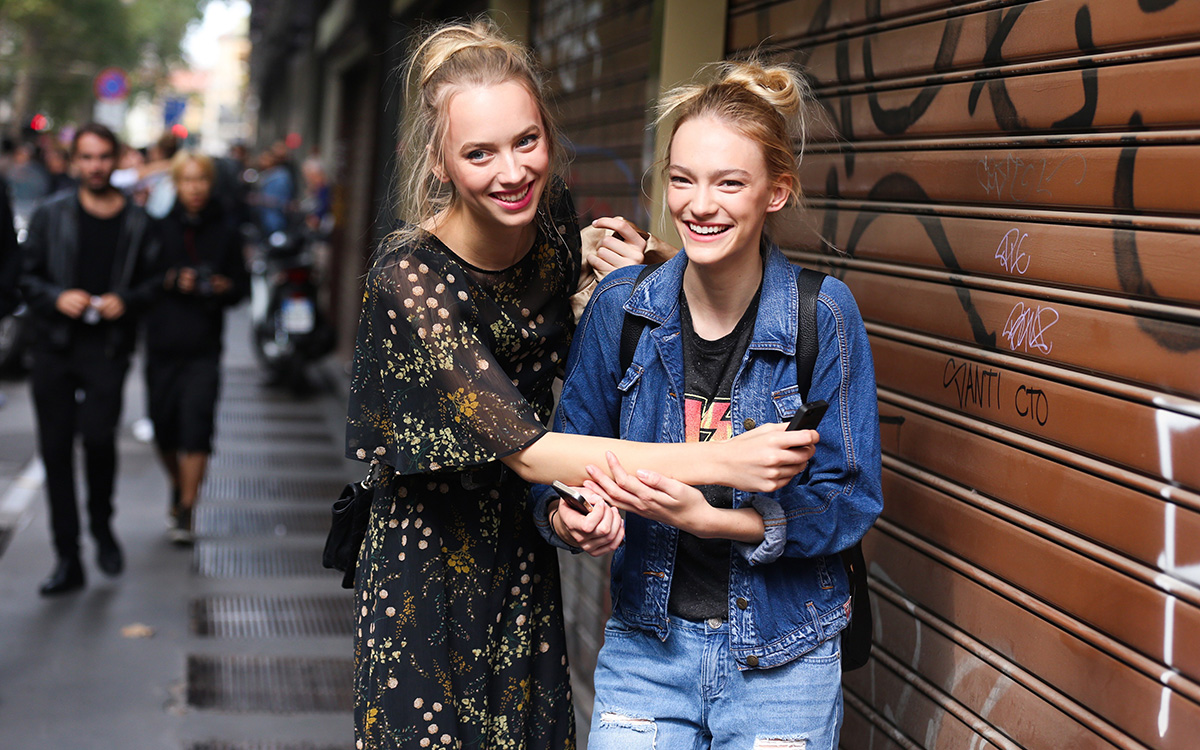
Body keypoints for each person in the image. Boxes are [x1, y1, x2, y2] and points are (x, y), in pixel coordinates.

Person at [344, 21, 815, 749]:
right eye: (479, 153)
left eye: (526, 141)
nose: (512, 172)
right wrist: (723, 460)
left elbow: (618, 316)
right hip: (427, 567)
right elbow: (532, 452)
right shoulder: (409, 282)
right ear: (438, 161)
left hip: (520, 552)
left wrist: (654, 260)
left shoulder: (554, 220)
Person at [536, 60, 884, 748]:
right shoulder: (622, 310)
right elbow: (559, 461)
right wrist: (569, 516)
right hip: (647, 651)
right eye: (682, 179)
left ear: (776, 191)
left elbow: (849, 497)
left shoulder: (822, 316)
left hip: (785, 658)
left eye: (729, 183)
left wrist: (720, 522)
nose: (699, 205)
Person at [18, 122, 161, 595]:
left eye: (103, 157)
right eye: (87, 157)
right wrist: (57, 297)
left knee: (99, 440)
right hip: (53, 347)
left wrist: (127, 300)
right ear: (74, 161)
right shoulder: (50, 214)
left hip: (107, 349)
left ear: (116, 159)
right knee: (56, 451)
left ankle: (101, 524)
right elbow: (25, 277)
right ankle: (68, 557)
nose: (95, 166)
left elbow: (154, 283)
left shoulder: (138, 222)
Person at [145, 151, 249, 544]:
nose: (195, 188)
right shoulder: (156, 229)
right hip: (161, 345)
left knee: (197, 428)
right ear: (176, 184)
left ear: (210, 184)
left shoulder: (226, 231)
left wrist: (223, 286)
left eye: (201, 180)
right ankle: (179, 485)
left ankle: (187, 509)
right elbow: (141, 283)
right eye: (187, 180)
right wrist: (172, 279)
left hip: (204, 347)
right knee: (164, 430)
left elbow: (241, 288)